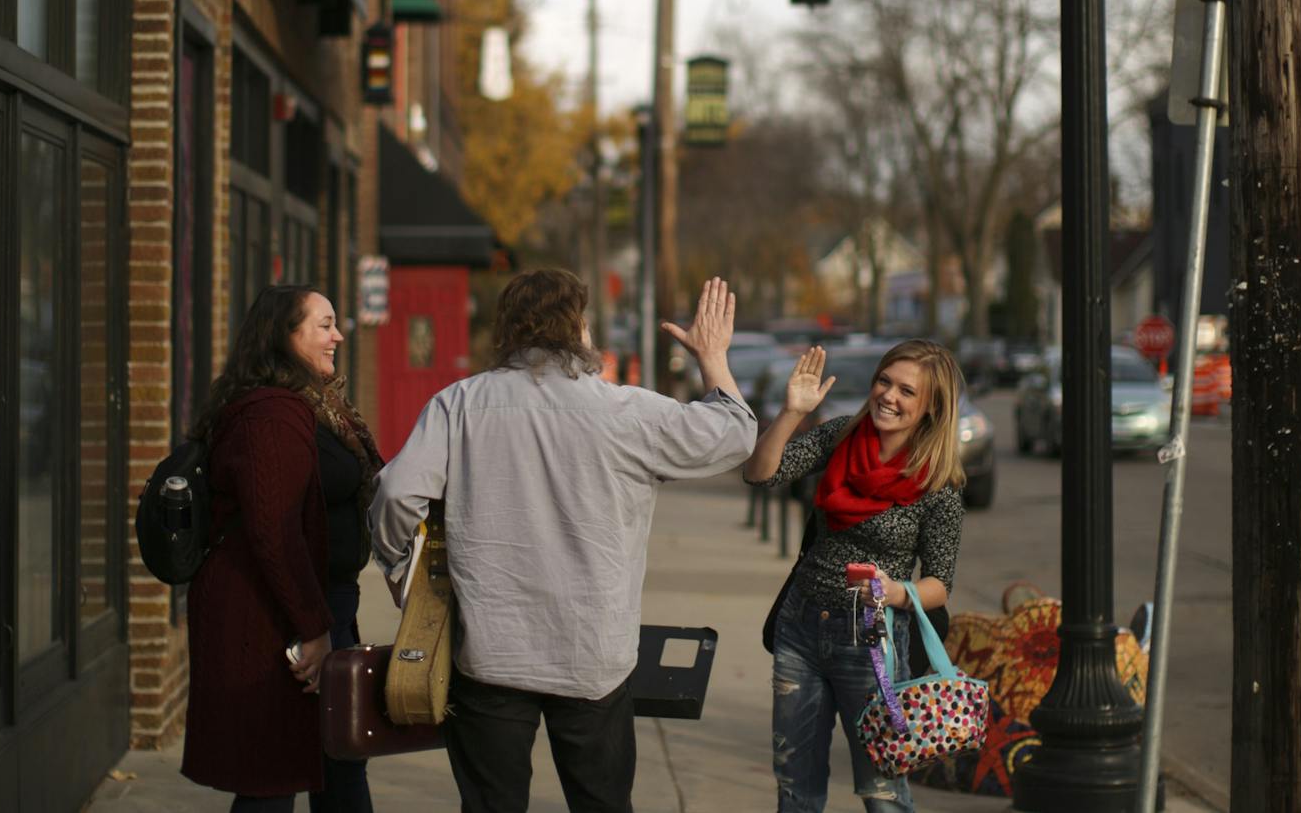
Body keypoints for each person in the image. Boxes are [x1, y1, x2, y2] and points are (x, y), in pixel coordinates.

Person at [368, 268, 757, 813]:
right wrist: (712, 356)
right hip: (591, 654)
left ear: (509, 329)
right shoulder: (625, 412)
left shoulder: (458, 404)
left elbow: (395, 495)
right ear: (577, 329)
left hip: (491, 652)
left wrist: (399, 570)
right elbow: (736, 436)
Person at [180, 284, 384, 812]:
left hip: (323, 606)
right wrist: (313, 628)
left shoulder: (312, 407)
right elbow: (274, 529)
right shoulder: (271, 415)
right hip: (282, 618)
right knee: (273, 778)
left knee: (337, 762)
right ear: (283, 336)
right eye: (323, 324)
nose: (337, 335)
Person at [744, 339, 966, 813]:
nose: (889, 396)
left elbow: (940, 583)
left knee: (881, 790)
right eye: (885, 381)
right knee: (794, 783)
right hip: (801, 628)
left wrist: (895, 592)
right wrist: (789, 412)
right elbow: (761, 474)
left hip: (872, 644)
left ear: (930, 408)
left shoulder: (937, 484)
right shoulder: (842, 435)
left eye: (907, 391)